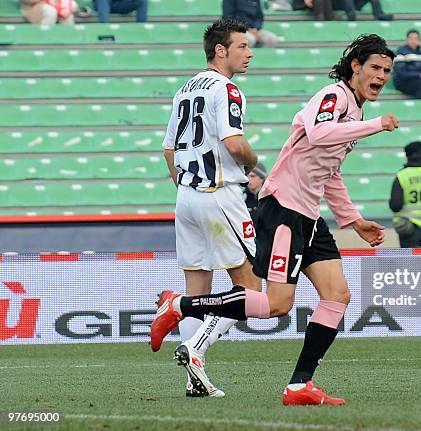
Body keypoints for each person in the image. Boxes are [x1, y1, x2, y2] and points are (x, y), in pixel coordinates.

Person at [151, 34, 400, 405]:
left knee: (337, 295)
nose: (381, 76)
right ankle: (179, 306)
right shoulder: (334, 97)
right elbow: (318, 133)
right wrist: (376, 124)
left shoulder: (355, 112)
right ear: (355, 67)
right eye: (375, 68)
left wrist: (353, 220)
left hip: (309, 215)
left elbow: (328, 171)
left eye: (387, 71)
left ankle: (300, 385)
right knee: (276, 304)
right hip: (284, 209)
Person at [158, 19, 261, 399]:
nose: (248, 54)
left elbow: (168, 148)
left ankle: (193, 382)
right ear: (221, 50)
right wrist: (253, 163)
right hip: (220, 194)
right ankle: (196, 349)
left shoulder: (184, 89)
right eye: (241, 47)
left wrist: (185, 187)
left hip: (186, 196)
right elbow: (234, 144)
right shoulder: (227, 89)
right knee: (250, 288)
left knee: (197, 288)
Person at [392, 29, 421, 99]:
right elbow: (401, 73)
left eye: (416, 38)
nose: (413, 41)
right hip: (403, 82)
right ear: (407, 40)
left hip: (417, 80)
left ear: (419, 41)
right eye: (411, 38)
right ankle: (420, 106)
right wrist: (419, 75)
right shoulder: (401, 52)